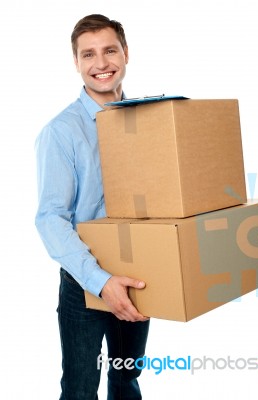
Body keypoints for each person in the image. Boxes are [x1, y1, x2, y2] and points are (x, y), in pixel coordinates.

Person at [35, 14, 150, 400]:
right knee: (81, 389)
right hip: (85, 281)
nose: (100, 64)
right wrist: (101, 282)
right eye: (88, 54)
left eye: (109, 50)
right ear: (77, 62)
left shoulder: (145, 122)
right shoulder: (62, 132)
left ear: (126, 53)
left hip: (138, 276)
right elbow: (52, 219)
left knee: (126, 380)